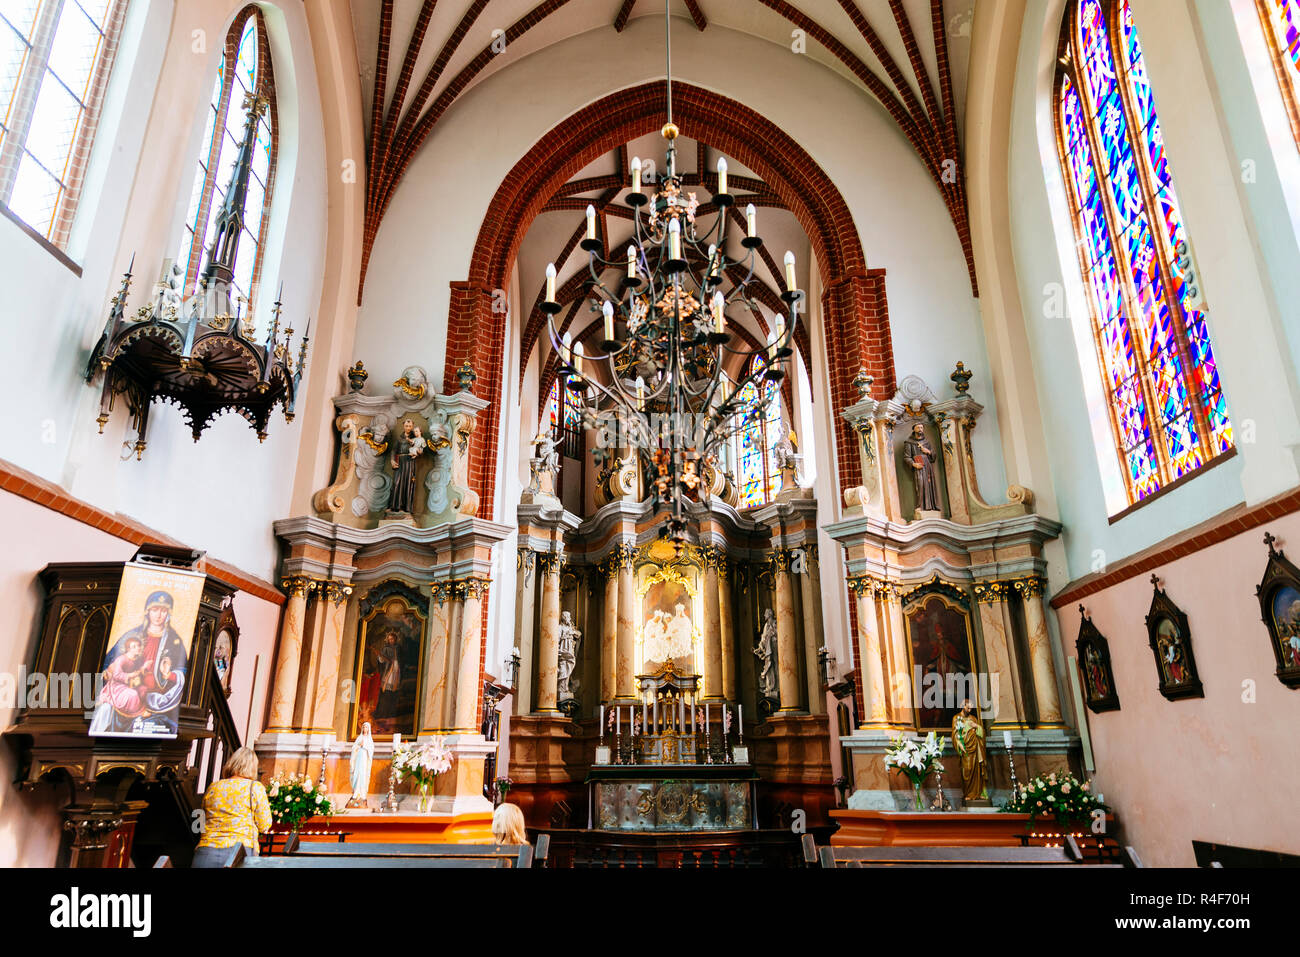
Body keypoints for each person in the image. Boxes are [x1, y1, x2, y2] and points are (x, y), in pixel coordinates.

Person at [192, 747, 271, 866]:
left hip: (206, 851)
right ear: (253, 767)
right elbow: (264, 825)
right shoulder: (255, 787)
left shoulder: (214, 787)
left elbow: (201, 818)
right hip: (239, 853)